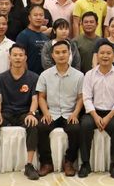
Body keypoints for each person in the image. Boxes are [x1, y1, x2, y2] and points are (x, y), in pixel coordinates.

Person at [0, 44, 40, 180]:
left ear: (25, 58)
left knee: (33, 124)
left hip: (24, 112)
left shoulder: (33, 77)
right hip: (6, 112)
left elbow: (35, 99)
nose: (18, 58)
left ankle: (29, 165)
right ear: (10, 57)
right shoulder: (1, 78)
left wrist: (31, 113)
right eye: (15, 55)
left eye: (20, 55)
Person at [36, 40, 84, 177]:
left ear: (69, 54)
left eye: (64, 52)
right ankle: (46, 163)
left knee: (75, 129)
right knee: (41, 127)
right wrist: (45, 113)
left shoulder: (79, 75)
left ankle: (69, 162)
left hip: (70, 113)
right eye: (57, 52)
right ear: (52, 55)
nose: (61, 55)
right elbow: (41, 97)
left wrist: (75, 113)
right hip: (52, 112)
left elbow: (81, 98)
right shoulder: (45, 75)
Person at [79, 40, 114, 178]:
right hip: (94, 111)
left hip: (113, 113)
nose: (105, 56)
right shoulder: (89, 74)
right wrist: (95, 116)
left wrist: (108, 117)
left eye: (108, 53)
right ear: (97, 56)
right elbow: (87, 98)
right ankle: (85, 163)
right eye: (102, 53)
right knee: (85, 125)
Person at [16, 5, 50, 75]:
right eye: (35, 15)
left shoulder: (46, 38)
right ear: (29, 18)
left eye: (41, 15)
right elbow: (21, 59)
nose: (38, 17)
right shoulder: (23, 36)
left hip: (44, 76)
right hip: (29, 76)